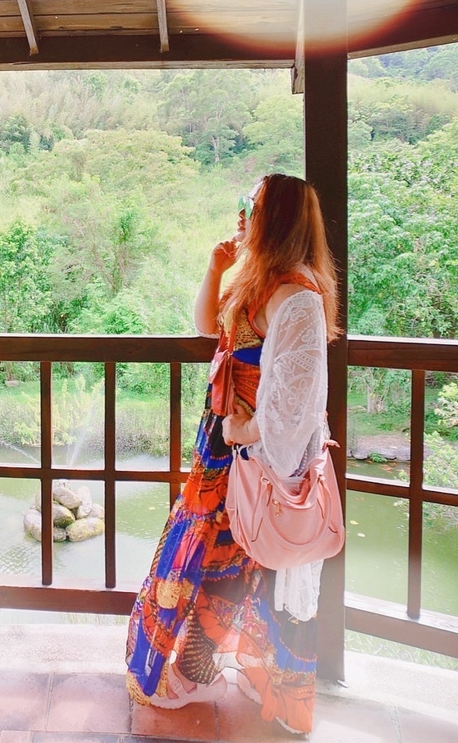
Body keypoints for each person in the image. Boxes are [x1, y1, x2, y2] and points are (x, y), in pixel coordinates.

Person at [125, 174, 341, 735]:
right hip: (223, 449)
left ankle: (197, 673)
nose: (241, 214)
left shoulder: (298, 296)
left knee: (230, 563)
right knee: (225, 557)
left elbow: (294, 405)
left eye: (253, 206)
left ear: (279, 220)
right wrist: (215, 268)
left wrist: (240, 430)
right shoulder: (258, 281)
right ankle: (236, 670)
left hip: (249, 455)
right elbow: (207, 328)